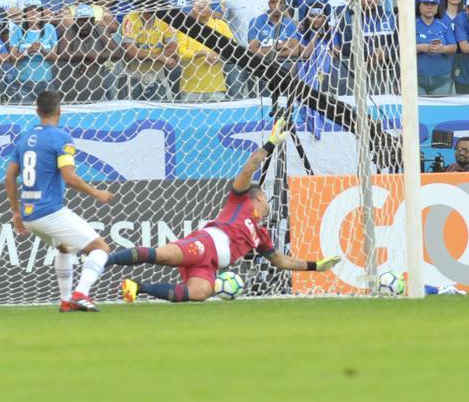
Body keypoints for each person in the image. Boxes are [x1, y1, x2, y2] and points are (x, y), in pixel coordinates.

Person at [113, 119, 339, 303]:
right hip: (205, 245)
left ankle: (136, 287)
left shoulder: (260, 235)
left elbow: (280, 261)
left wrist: (315, 266)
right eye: (266, 199)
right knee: (163, 256)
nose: (268, 204)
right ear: (259, 196)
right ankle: (104, 259)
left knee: (200, 293)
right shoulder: (240, 200)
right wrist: (270, 144)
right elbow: (249, 168)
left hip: (210, 264)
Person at [4, 89, 114, 312]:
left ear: (37, 111)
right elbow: (69, 177)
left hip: (29, 214)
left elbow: (9, 176)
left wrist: (16, 212)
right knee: (101, 248)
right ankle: (81, 293)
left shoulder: (25, 139)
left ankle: (65, 300)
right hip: (49, 211)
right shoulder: (61, 138)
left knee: (64, 249)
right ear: (60, 111)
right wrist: (97, 193)